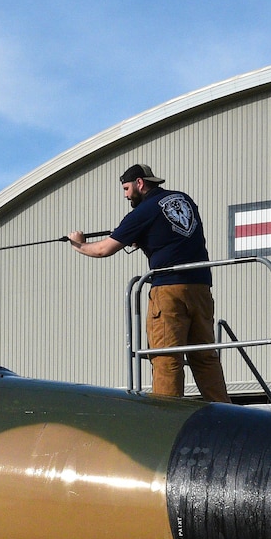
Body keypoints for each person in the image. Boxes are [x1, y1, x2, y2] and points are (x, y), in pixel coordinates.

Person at [69, 162, 230, 402]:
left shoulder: (143, 212)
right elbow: (173, 235)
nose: (125, 195)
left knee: (166, 357)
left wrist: (78, 244)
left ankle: (166, 417)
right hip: (201, 286)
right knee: (205, 356)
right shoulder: (183, 199)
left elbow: (103, 250)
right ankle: (225, 411)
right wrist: (144, 239)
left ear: (140, 184)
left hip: (168, 289)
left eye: (126, 188)